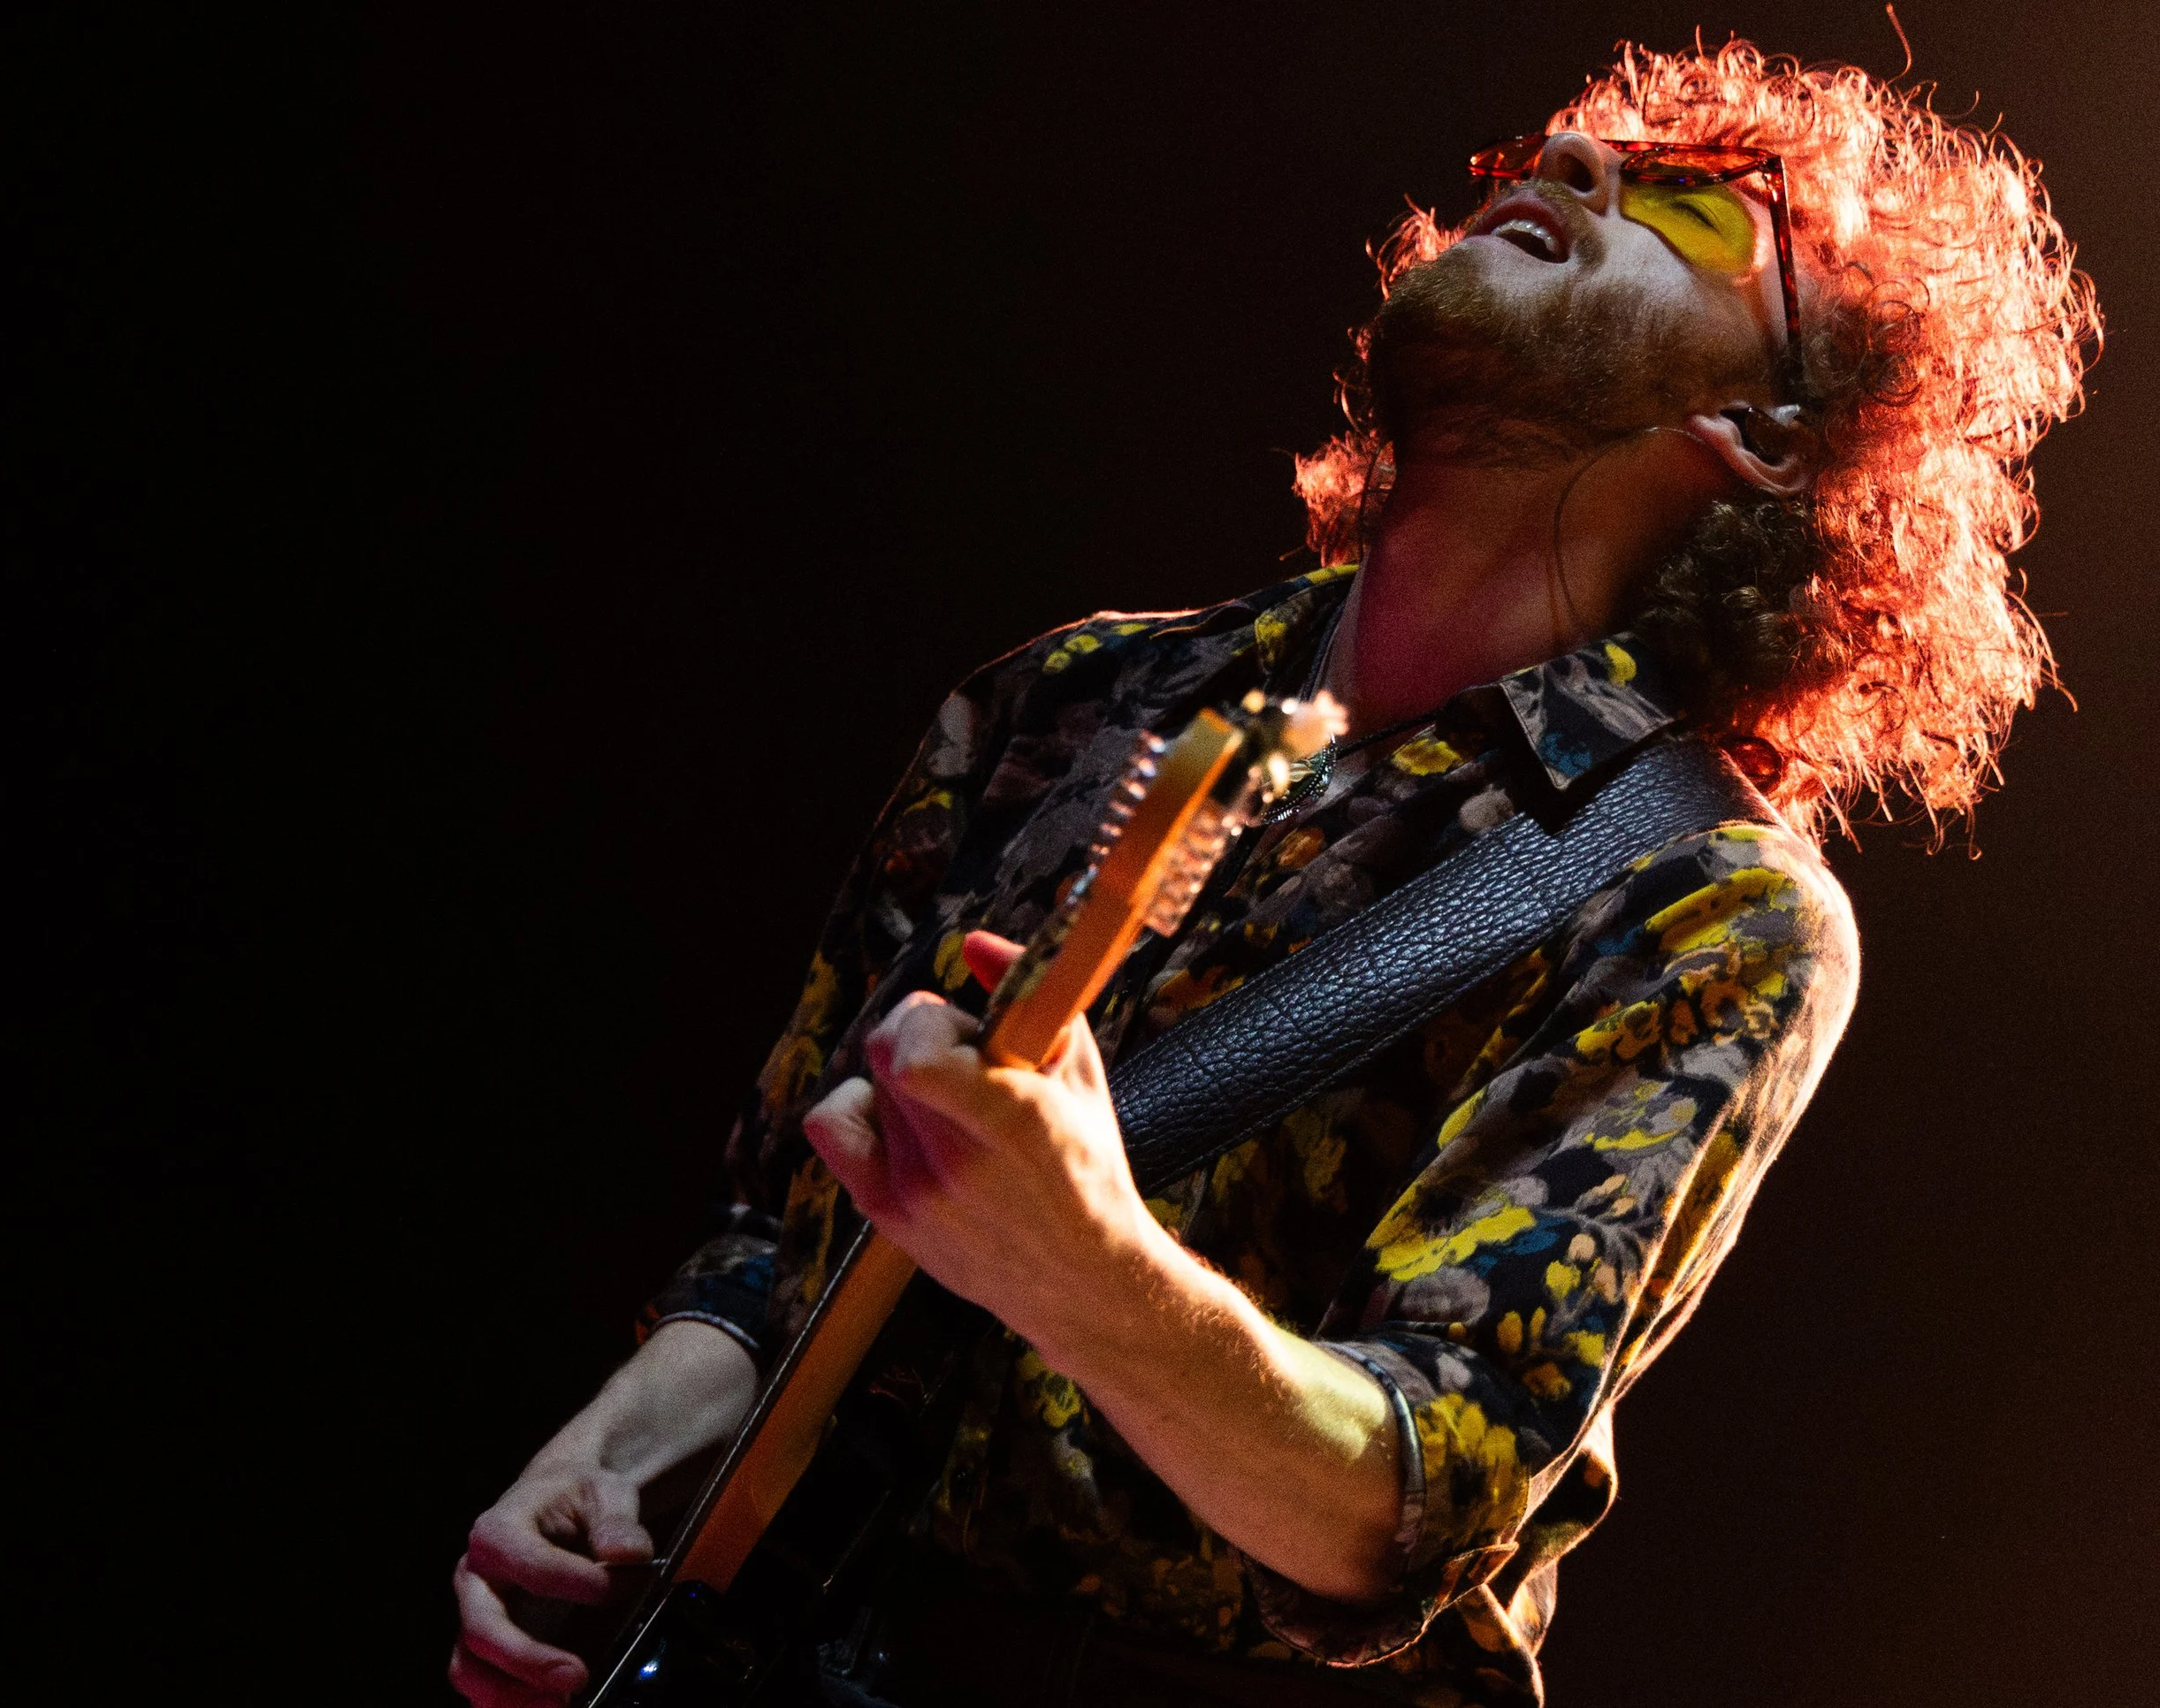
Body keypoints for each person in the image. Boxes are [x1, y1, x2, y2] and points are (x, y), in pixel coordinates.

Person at [449, 40, 2097, 1708]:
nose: (1574, 161)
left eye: (1690, 203)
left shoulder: (1708, 904)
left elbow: (1408, 1514)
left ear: (1759, 431)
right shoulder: (1066, 698)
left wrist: (1078, 1261)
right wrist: (610, 1461)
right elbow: (774, 1229)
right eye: (1554, 148)